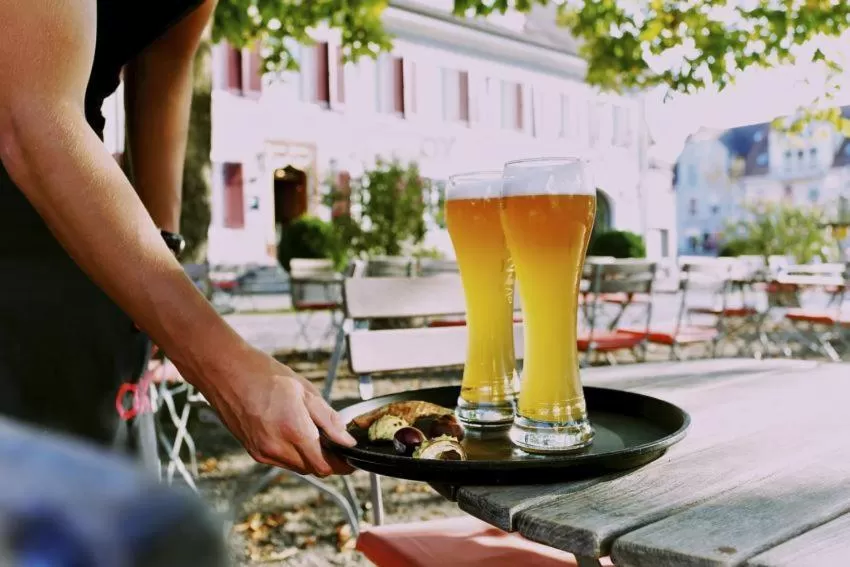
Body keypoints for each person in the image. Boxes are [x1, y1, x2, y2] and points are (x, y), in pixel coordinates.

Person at [0, 0, 354, 477]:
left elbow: (164, 56)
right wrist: (223, 366)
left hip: (84, 217)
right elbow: (31, 119)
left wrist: (161, 270)